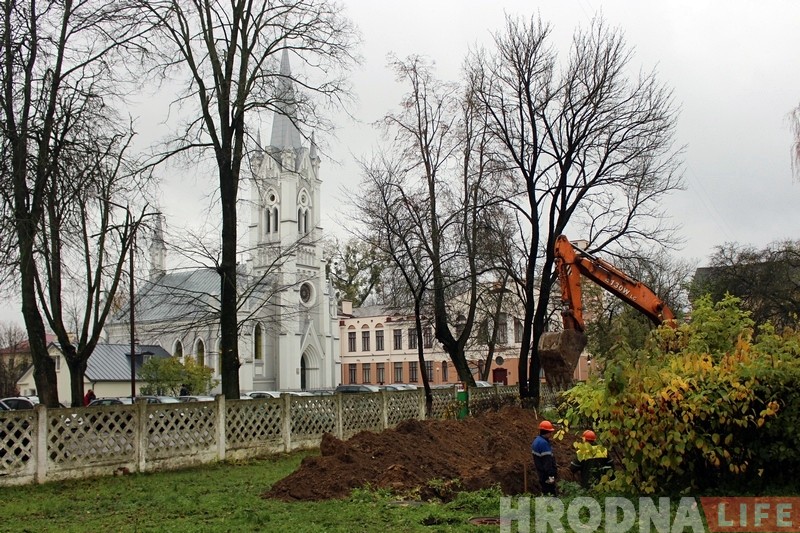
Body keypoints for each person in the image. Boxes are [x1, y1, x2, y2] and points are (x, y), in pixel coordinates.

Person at [531, 420, 558, 495]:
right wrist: (551, 476)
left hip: (540, 473)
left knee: (545, 492)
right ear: (547, 432)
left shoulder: (536, 441)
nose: (551, 434)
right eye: (550, 432)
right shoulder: (544, 444)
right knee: (551, 494)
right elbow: (547, 462)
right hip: (546, 476)